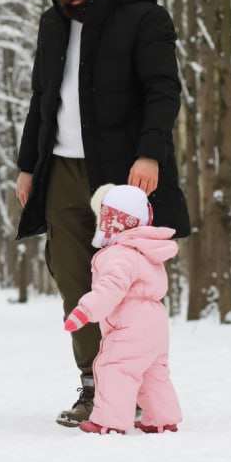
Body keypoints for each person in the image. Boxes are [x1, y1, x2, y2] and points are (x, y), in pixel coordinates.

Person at [15, 0, 190, 427]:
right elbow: (40, 100)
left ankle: (131, 380)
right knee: (74, 277)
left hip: (122, 172)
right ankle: (94, 383)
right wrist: (29, 166)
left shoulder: (142, 16)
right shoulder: (52, 25)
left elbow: (163, 90)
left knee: (126, 282)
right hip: (62, 171)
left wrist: (150, 153)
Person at [63, 184, 182, 434]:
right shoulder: (146, 252)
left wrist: (85, 310)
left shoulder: (118, 254)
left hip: (130, 325)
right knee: (153, 373)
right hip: (156, 323)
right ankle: (162, 418)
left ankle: (110, 421)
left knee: (114, 367)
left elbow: (111, 288)